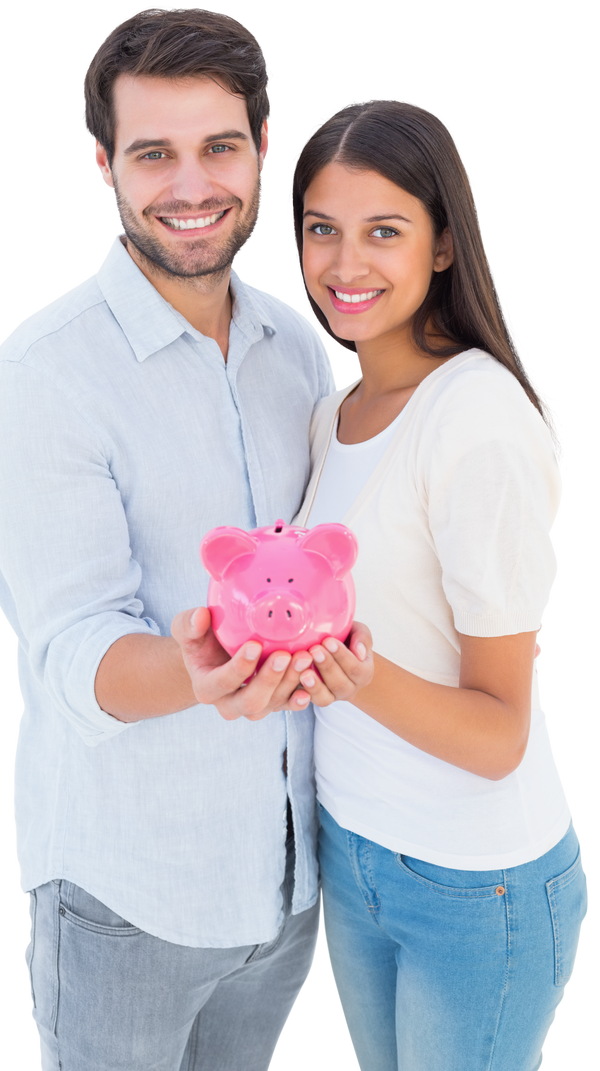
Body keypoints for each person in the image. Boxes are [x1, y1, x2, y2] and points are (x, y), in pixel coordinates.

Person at [0, 6, 373, 1071]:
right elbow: (71, 648)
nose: (193, 187)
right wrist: (198, 669)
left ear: (265, 146)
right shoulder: (38, 381)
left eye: (219, 147)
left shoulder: (299, 350)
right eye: (154, 155)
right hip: (128, 894)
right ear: (103, 164)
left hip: (286, 892)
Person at [280, 96, 590, 1069]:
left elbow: (499, 732)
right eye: (322, 229)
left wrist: (351, 674)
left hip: (476, 887)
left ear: (444, 245)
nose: (345, 264)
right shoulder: (333, 415)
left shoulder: (476, 420)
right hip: (356, 851)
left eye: (384, 231)